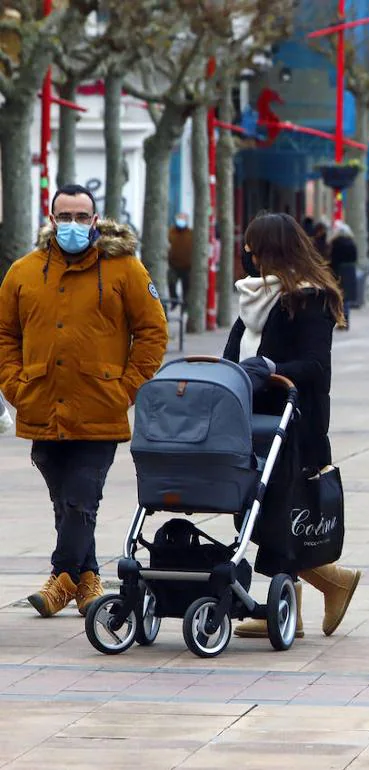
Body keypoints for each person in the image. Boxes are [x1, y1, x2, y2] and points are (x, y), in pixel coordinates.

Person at [0, 184, 168, 617]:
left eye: (81, 216)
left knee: (80, 499)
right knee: (66, 504)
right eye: (64, 216)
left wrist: (126, 388)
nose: (72, 225)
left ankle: (60, 580)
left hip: (100, 409)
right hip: (40, 406)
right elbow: (5, 334)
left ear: (95, 221)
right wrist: (15, 386)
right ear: (51, 219)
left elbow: (153, 331)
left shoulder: (125, 269)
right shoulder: (23, 271)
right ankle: (89, 579)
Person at [224, 212, 363, 639]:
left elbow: (317, 367)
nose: (246, 255)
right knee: (258, 509)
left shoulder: (309, 298)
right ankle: (302, 602)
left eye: (253, 248)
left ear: (272, 251)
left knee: (276, 512)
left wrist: (272, 368)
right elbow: (233, 354)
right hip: (251, 422)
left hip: (294, 425)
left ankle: (300, 601)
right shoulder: (253, 299)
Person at [328, 222, 358, 329]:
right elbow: (355, 258)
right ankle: (346, 320)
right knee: (347, 298)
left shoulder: (335, 243)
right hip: (350, 271)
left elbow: (333, 259)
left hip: (339, 271)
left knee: (339, 297)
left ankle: (340, 320)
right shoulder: (352, 243)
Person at [167, 212, 192, 303]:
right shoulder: (171, 232)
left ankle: (185, 306)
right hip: (173, 265)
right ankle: (174, 300)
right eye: (179, 218)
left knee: (187, 288)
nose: (181, 221)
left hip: (187, 267)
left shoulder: (190, 234)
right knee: (171, 283)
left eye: (183, 219)